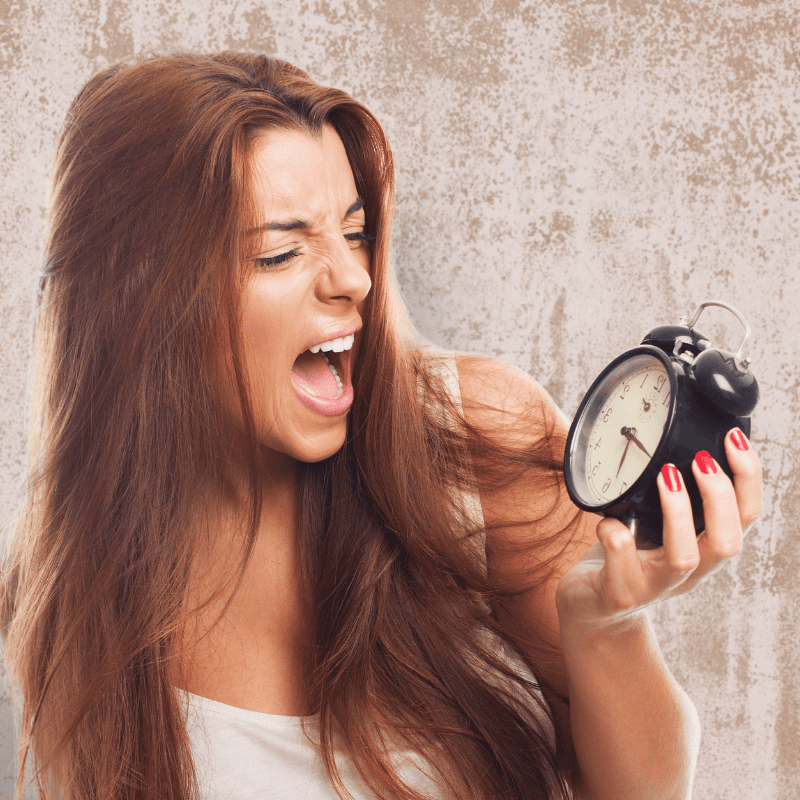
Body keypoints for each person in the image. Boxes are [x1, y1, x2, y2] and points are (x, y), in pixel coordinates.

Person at [0, 52, 761, 800]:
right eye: (280, 252)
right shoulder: (59, 595)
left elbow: (645, 792)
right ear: (141, 303)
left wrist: (607, 624)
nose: (353, 278)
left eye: (355, 231)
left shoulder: (474, 439)